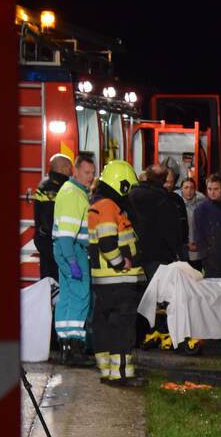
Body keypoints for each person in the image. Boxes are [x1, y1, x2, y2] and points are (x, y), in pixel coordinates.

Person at [87, 160, 147, 387]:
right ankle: (121, 374)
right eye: (128, 188)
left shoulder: (99, 204)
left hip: (105, 281)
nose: (128, 194)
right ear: (121, 185)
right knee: (122, 328)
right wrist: (121, 263)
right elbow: (108, 243)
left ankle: (108, 369)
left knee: (103, 325)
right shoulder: (108, 207)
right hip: (119, 281)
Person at [129, 164, 184, 349]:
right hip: (158, 256)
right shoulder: (163, 200)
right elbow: (170, 230)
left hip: (133, 255)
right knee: (160, 299)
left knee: (138, 296)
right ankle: (159, 333)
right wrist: (177, 253)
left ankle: (138, 336)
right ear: (162, 180)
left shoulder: (133, 195)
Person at [52, 153, 96, 365]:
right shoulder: (74, 195)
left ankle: (65, 347)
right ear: (75, 171)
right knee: (80, 297)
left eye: (93, 173)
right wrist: (72, 260)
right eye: (87, 172)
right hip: (72, 249)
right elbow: (68, 234)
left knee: (67, 298)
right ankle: (76, 349)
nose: (91, 177)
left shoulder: (69, 190)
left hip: (63, 248)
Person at [33, 153, 73, 282]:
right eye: (69, 167)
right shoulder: (53, 188)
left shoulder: (48, 183)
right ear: (62, 167)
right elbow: (48, 217)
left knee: (50, 280)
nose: (71, 171)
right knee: (53, 281)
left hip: (48, 241)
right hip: (51, 242)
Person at [177, 177, 206, 270]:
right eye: (186, 188)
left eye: (191, 188)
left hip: (198, 248)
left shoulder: (202, 204)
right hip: (181, 249)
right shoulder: (176, 204)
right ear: (181, 189)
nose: (189, 190)